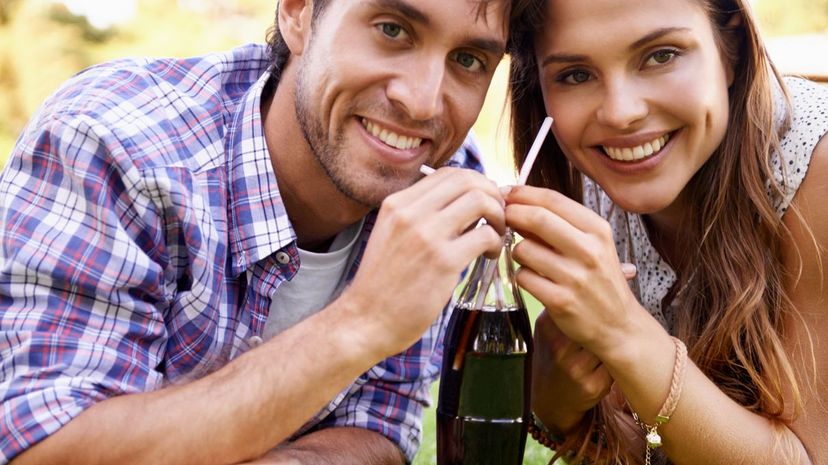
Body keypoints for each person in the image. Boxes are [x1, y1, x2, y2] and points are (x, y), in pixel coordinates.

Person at [0, 0, 535, 463]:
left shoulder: (446, 188)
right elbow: (44, 446)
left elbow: (380, 425)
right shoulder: (112, 143)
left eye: (468, 60)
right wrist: (362, 321)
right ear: (298, 12)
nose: (421, 102)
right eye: (392, 29)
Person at [503, 0, 828, 463]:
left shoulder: (816, 166)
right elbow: (654, 450)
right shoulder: (593, 183)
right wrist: (559, 406)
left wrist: (622, 331)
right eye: (575, 74)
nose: (620, 114)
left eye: (661, 55)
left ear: (731, 48)